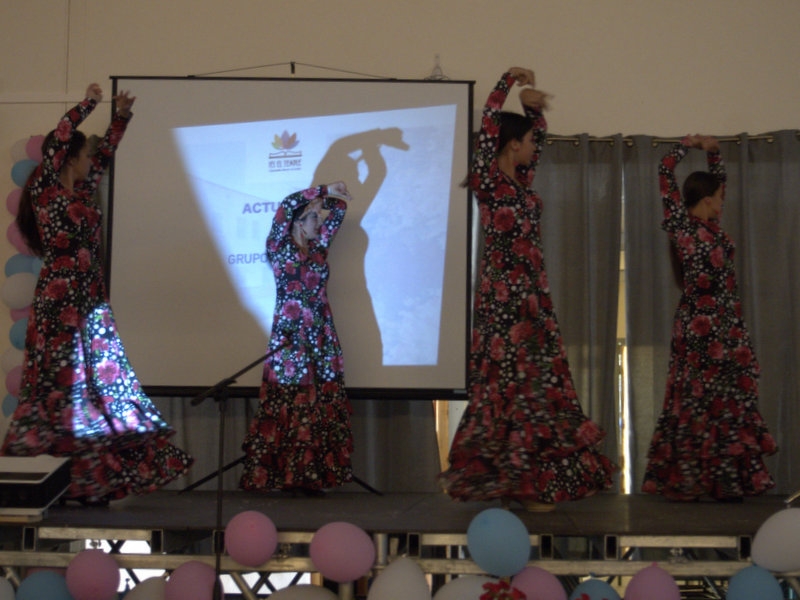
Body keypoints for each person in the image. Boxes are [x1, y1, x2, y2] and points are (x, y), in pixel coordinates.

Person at [2, 83, 193, 505]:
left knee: (98, 388)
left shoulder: (82, 191)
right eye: (85, 156)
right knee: (62, 387)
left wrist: (121, 117)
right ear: (69, 157)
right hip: (60, 305)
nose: (92, 161)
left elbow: (105, 152)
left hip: (90, 303)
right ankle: (53, 480)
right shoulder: (47, 189)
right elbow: (61, 135)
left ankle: (89, 481)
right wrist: (89, 103)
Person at [439, 68, 615, 512]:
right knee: (507, 383)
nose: (535, 146)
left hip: (533, 297)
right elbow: (489, 127)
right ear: (512, 144)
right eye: (529, 140)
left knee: (536, 385)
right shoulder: (488, 181)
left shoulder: (521, 181)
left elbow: (540, 137)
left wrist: (533, 110)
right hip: (502, 300)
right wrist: (507, 82)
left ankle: (530, 482)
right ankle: (511, 482)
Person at [642, 135, 777, 501]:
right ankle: (692, 480)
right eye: (718, 197)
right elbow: (665, 169)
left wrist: (714, 154)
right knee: (698, 398)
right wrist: (688, 144)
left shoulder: (714, 227)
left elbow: (720, 182)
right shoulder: (681, 225)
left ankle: (725, 480)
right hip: (699, 324)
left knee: (729, 397)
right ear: (705, 200)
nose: (722, 201)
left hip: (726, 322)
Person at [240, 182, 355, 493]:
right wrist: (321, 190)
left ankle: (314, 476)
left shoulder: (318, 248)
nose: (320, 222)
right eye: (314, 218)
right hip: (291, 339)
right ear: (298, 222)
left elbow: (340, 209)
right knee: (291, 402)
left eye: (318, 218)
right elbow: (286, 206)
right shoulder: (279, 247)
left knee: (320, 402)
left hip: (321, 336)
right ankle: (286, 476)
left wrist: (324, 202)